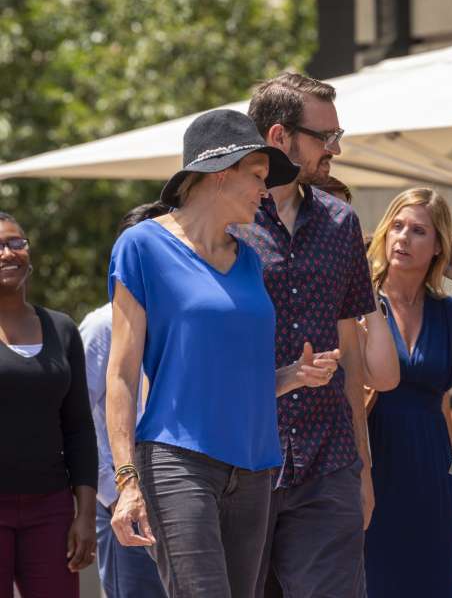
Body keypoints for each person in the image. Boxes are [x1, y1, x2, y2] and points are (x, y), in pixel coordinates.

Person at [106, 108, 340, 598]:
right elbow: (123, 375)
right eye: (257, 175)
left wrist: (291, 376)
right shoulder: (141, 247)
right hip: (179, 461)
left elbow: (235, 378)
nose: (264, 190)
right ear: (217, 174)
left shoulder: (250, 261)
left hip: (256, 467)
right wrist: (126, 480)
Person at [234, 73, 399, 598]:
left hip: (328, 462)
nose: (337, 148)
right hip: (241, 460)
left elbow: (348, 347)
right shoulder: (223, 223)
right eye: (325, 137)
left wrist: (362, 466)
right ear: (280, 137)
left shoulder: (340, 222)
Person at [364, 186, 452, 597]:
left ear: (440, 246)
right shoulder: (358, 300)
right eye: (398, 226)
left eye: (419, 231)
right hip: (367, 471)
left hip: (430, 479)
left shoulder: (449, 312)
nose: (403, 237)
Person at [0, 211, 98, 598]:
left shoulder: (61, 328)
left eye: (16, 243)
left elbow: (78, 426)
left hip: (50, 508)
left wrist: (86, 514)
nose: (8, 252)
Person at [80, 201, 171, 598]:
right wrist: (114, 490)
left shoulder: (180, 322)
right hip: (123, 503)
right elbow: (80, 416)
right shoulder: (102, 325)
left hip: (178, 496)